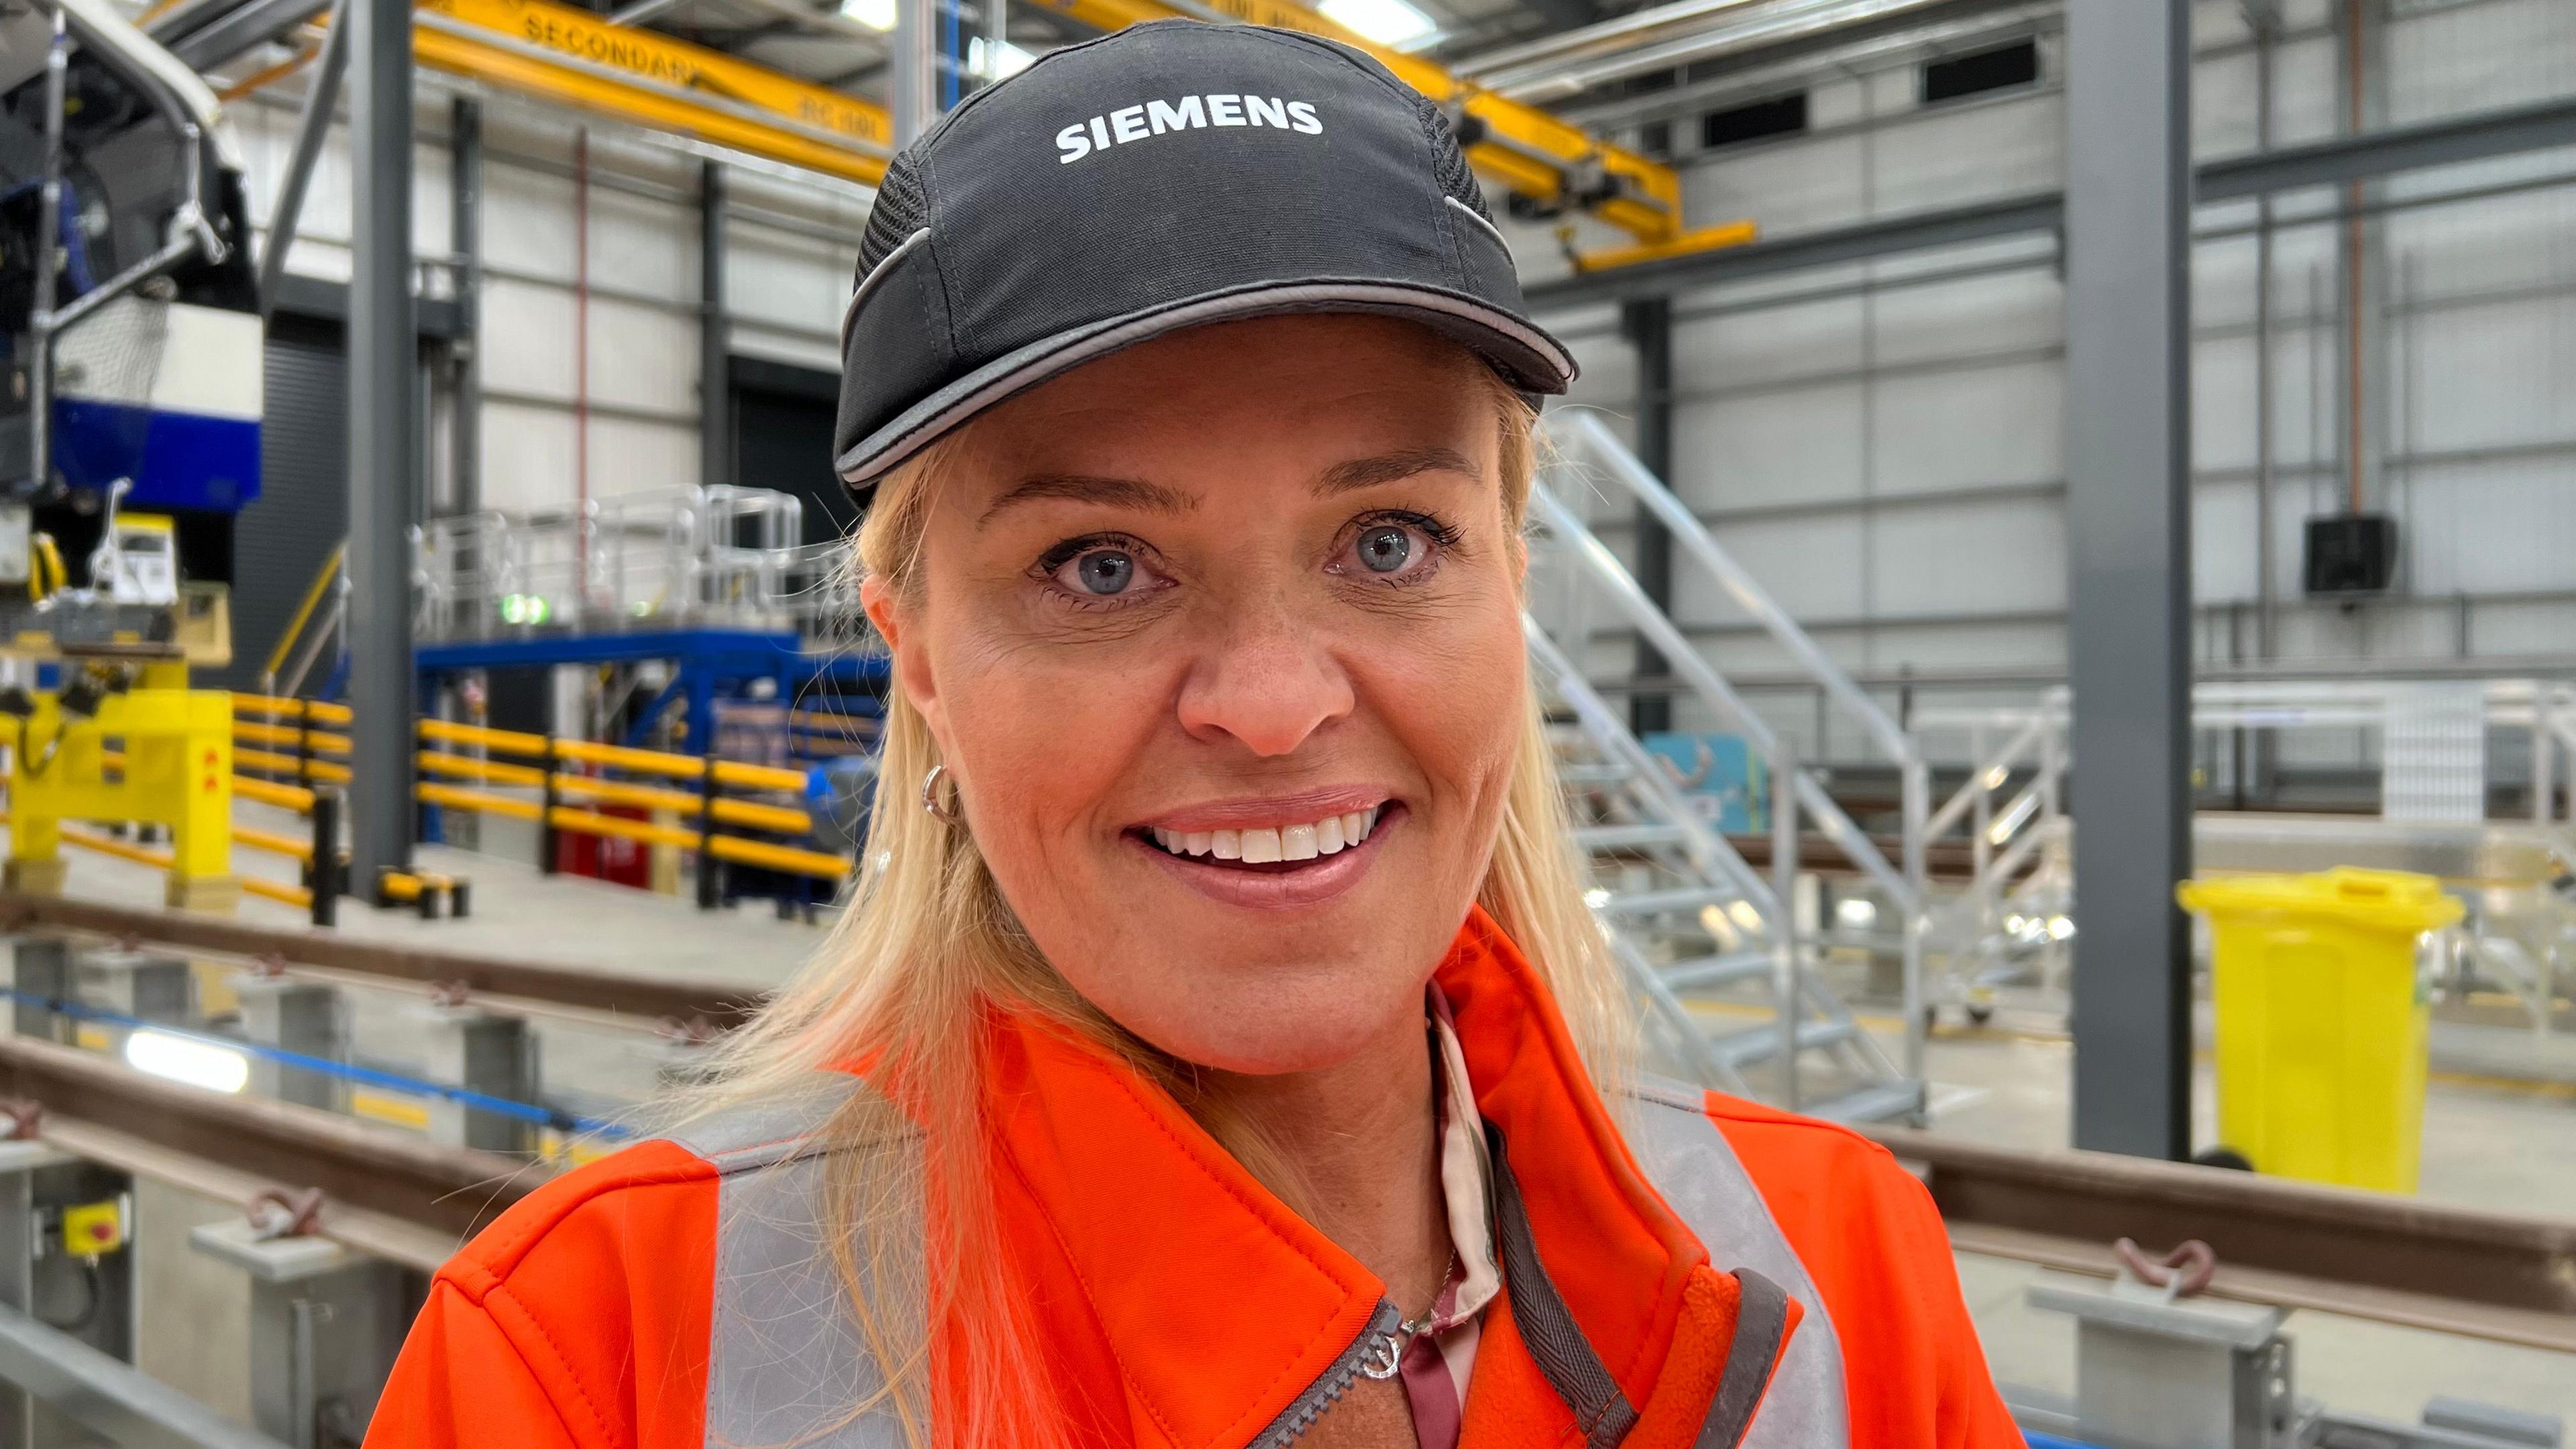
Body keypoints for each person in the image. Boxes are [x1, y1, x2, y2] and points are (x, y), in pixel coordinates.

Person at [366, 20, 2021, 1449]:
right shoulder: (593, 1356)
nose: (1276, 699)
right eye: (1101, 566)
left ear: (1510, 585)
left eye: (1389, 540)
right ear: (917, 655)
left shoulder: (1840, 1275)